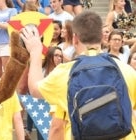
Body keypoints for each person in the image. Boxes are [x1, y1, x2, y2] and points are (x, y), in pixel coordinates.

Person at [21, 10, 136, 140]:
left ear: (75, 38)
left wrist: (36, 51)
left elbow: (35, 89)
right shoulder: (126, 70)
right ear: (102, 37)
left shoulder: (65, 72)